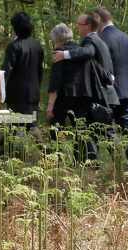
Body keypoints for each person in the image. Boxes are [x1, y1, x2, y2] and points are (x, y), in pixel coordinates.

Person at [51, 6, 128, 174]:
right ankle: (96, 165)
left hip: (102, 95)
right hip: (109, 92)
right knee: (98, 131)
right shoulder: (102, 40)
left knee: (104, 131)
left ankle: (113, 165)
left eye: (79, 23)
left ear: (88, 25)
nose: (77, 26)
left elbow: (88, 53)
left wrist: (64, 55)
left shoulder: (90, 41)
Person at [46, 23, 109, 163]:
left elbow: (55, 82)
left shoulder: (59, 53)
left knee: (57, 126)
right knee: (81, 129)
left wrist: (50, 104)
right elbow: (100, 72)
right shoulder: (82, 52)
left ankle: (56, 157)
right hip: (83, 97)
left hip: (64, 97)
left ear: (57, 39)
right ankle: (86, 160)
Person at [0, 12, 44, 156]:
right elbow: (39, 71)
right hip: (33, 91)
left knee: (15, 123)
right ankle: (7, 151)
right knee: (31, 123)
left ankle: (2, 150)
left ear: (15, 28)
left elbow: (6, 71)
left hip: (17, 94)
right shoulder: (37, 45)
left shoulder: (14, 46)